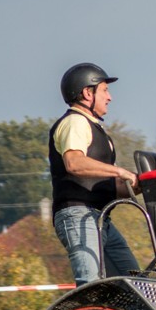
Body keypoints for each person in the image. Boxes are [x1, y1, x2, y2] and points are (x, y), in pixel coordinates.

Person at [49, 63, 140, 285]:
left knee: (135, 286)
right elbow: (74, 163)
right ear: (87, 93)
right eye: (105, 90)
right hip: (79, 215)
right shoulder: (75, 122)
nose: (109, 97)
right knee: (90, 285)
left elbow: (107, 184)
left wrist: (143, 183)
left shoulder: (96, 129)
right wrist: (120, 171)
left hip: (100, 218)